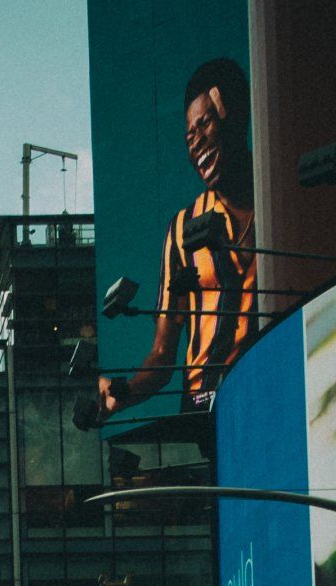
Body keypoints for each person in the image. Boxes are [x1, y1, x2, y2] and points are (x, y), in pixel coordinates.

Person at [98, 54, 256, 420]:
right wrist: (121, 394)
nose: (196, 143)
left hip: (275, 385)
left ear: (235, 116)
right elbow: (162, 354)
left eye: (205, 124)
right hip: (208, 406)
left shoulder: (279, 200)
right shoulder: (183, 230)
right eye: (189, 135)